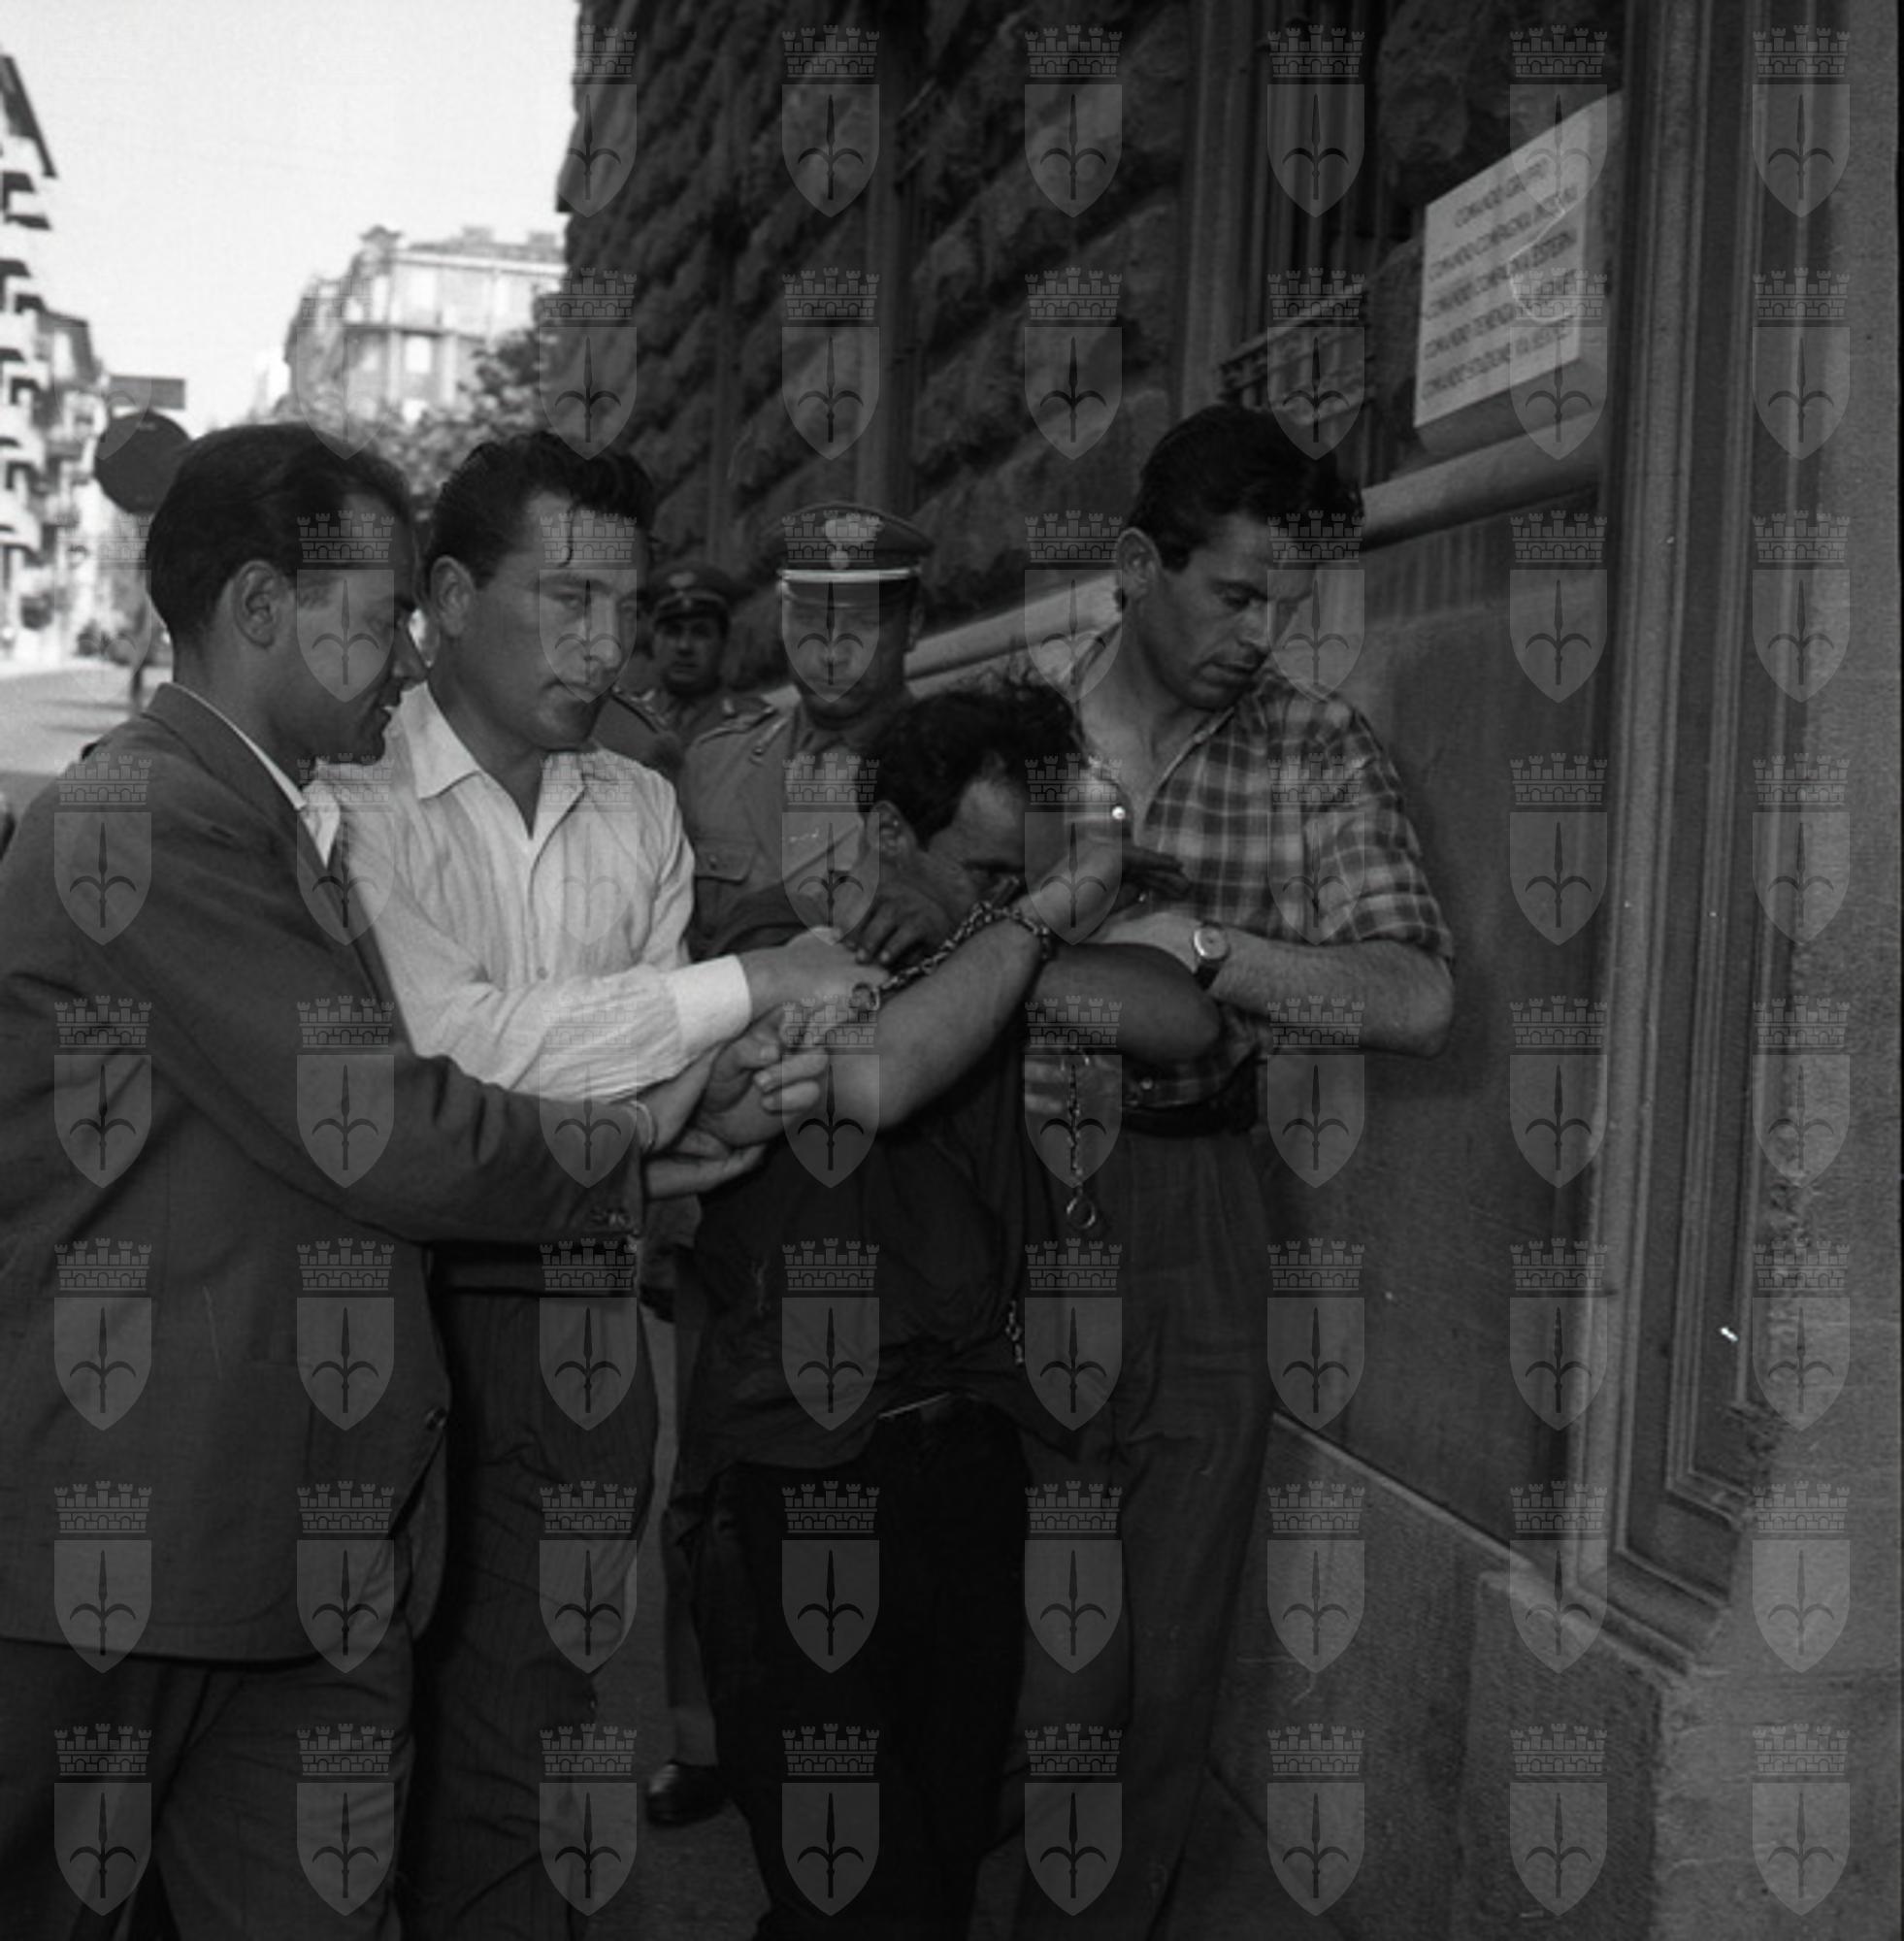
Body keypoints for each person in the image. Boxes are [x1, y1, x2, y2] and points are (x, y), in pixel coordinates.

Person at [0, 424, 651, 1938]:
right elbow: (387, 1132)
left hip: (292, 1561)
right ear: (257, 607)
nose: (409, 658)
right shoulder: (139, 824)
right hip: (129, 1557)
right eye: (379, 615)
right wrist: (637, 1149)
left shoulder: (265, 820)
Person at [320, 431, 881, 1938]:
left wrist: (676, 1090)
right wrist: (742, 990)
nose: (604, 643)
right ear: (449, 598)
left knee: (537, 1737)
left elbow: (641, 1083)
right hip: (383, 1315)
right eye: (564, 598)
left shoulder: (636, 806)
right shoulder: (349, 800)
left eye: (622, 607)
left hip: (579, 1315)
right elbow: (449, 1053)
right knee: (350, 1729)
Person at [678, 678, 1224, 1939]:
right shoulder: (772, 950)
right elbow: (881, 1074)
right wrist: (1027, 929)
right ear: (886, 834)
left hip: (969, 1466)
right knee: (854, 1884)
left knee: (929, 1855)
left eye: (1018, 879)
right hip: (798, 1478)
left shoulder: (994, 959)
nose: (999, 899)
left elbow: (1182, 1017)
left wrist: (1045, 917)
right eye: (980, 870)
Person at [1011, 404, 1456, 1938]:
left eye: (1288, 605)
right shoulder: (1012, 731)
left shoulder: (1313, 746)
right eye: (1236, 596)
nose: (1262, 636)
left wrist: (1201, 946)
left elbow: (1415, 996)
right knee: (998, 1613)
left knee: (1163, 1626)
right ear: (1140, 565)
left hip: (1193, 1196)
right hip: (993, 1196)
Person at [594, 556, 759, 776]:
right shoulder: (620, 721)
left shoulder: (754, 727)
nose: (684, 646)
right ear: (653, 639)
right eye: (672, 632)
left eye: (700, 633)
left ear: (723, 641)